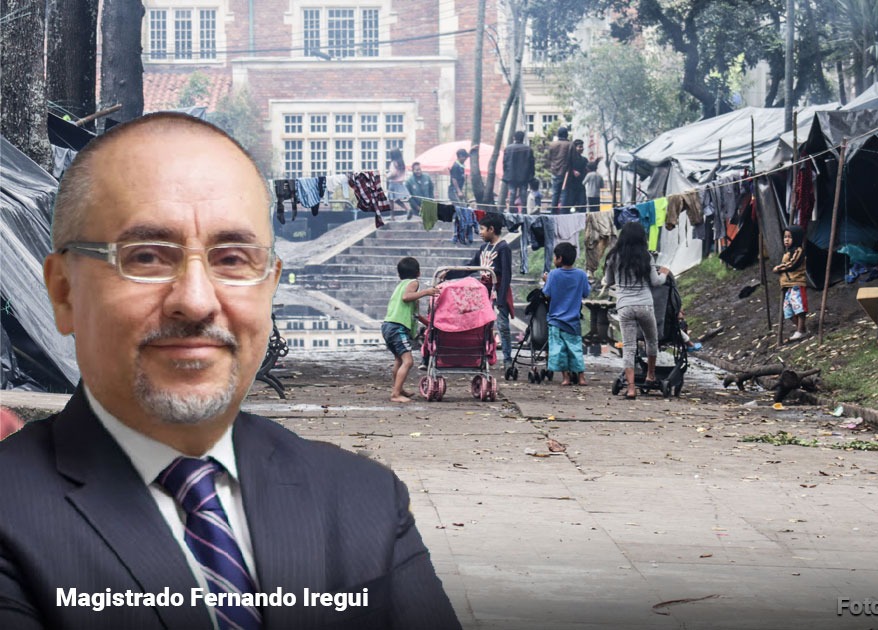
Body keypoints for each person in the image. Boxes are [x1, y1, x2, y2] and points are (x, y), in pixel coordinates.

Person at [0, 112, 461, 629]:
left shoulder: (364, 502)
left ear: (270, 286)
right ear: (63, 291)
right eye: (148, 257)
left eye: (233, 259)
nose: (196, 302)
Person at [603, 223, 670, 400]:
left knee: (629, 347)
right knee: (651, 341)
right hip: (645, 305)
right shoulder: (646, 257)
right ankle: (650, 375)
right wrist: (664, 273)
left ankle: (631, 388)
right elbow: (656, 282)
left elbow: (608, 281)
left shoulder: (614, 257)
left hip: (625, 306)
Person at [457, 213, 514, 366]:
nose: (480, 232)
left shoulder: (503, 248)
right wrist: (450, 274)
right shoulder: (483, 247)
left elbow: (507, 275)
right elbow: (471, 267)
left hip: (498, 290)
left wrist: (501, 299)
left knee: (503, 326)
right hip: (484, 291)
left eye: (482, 229)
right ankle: (483, 356)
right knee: (482, 325)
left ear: (491, 229)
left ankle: (507, 360)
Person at [383, 257, 438, 403]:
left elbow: (415, 314)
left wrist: (429, 324)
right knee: (408, 362)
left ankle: (398, 389)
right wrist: (426, 292)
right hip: (397, 327)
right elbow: (406, 297)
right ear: (418, 273)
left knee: (398, 360)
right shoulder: (413, 283)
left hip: (388, 325)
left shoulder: (401, 285)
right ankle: (395, 394)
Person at [542, 242, 591, 386]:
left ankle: (566, 378)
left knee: (560, 350)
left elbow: (547, 294)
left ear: (560, 258)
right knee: (575, 348)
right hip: (573, 321)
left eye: (555, 257)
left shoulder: (554, 274)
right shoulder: (581, 275)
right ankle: (581, 378)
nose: (554, 260)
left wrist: (546, 281)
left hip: (556, 320)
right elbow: (586, 293)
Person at [772, 225, 809, 341]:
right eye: (785, 237)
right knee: (787, 310)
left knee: (799, 307)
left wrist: (779, 268)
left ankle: (800, 330)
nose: (786, 239)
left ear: (796, 238)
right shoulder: (787, 253)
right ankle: (802, 329)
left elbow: (793, 265)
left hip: (796, 283)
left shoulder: (799, 251)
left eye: (789, 237)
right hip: (787, 285)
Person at [502, 130, 535, 213]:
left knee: (512, 193)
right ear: (523, 138)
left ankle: (511, 210)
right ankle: (524, 210)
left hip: (511, 175)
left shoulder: (508, 148)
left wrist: (506, 173)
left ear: (514, 138)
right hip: (524, 176)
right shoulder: (528, 149)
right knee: (523, 193)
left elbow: (505, 163)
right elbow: (531, 164)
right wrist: (531, 176)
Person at [543, 126, 572, 213]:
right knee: (564, 194)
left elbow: (549, 158)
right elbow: (573, 159)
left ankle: (553, 212)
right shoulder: (570, 144)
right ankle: (563, 212)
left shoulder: (552, 144)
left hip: (554, 171)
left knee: (555, 193)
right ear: (566, 134)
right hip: (566, 173)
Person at [563, 140, 589, 212]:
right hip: (571, 185)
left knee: (582, 204)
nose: (581, 149)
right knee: (570, 204)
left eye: (582, 147)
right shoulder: (569, 159)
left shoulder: (584, 160)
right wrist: (573, 171)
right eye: (580, 147)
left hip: (581, 185)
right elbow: (566, 169)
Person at [386, 148, 411, 218]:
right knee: (396, 199)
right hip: (400, 183)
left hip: (393, 184)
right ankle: (407, 209)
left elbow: (393, 173)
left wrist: (387, 176)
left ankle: (392, 216)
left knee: (391, 200)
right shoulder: (402, 163)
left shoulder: (393, 163)